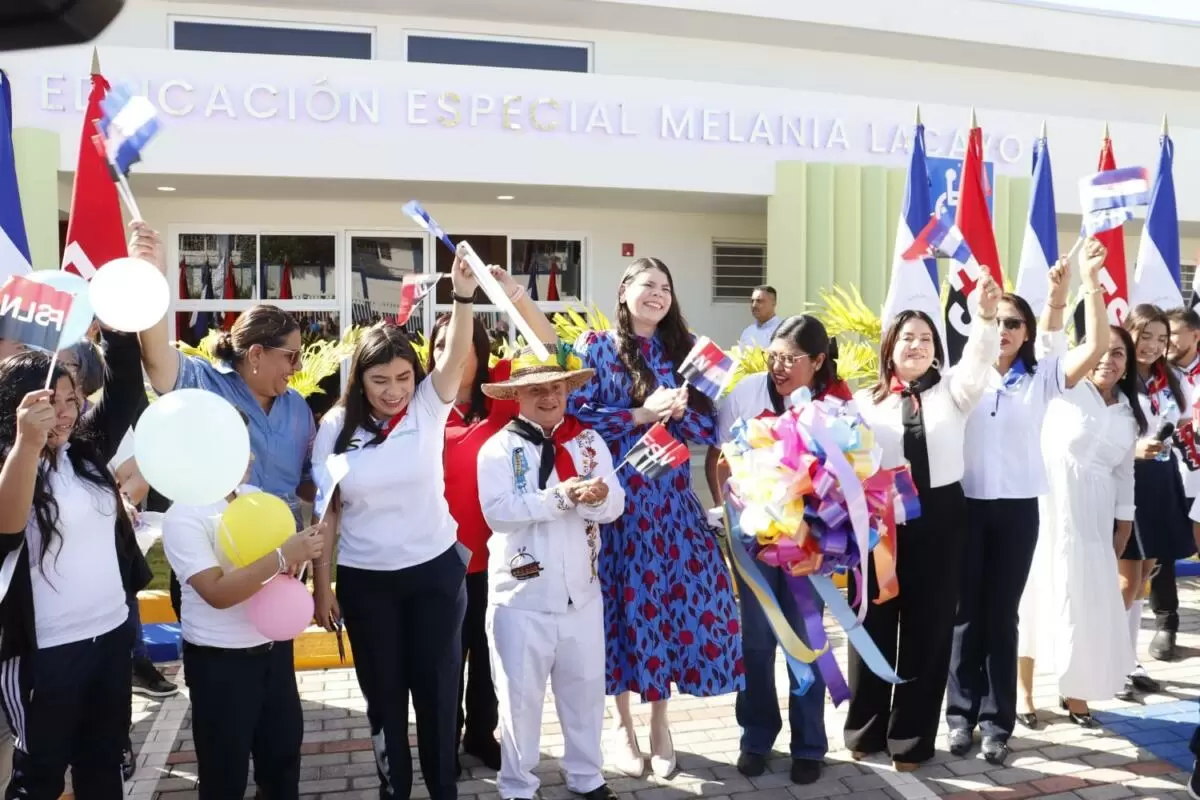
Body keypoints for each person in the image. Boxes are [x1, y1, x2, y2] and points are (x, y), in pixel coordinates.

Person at [310, 252, 480, 800]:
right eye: (380, 380)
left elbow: (455, 356)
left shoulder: (430, 406)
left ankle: (444, 791)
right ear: (359, 380)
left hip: (434, 573)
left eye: (404, 377)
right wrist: (322, 584)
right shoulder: (336, 427)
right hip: (367, 583)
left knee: (436, 696)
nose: (394, 391)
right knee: (384, 701)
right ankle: (394, 792)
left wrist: (463, 297)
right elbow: (328, 512)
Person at [571, 257, 742, 779]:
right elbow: (578, 416)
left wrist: (679, 409)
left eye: (665, 287)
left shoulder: (687, 349)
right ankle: (623, 728)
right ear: (623, 291)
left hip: (672, 506)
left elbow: (709, 428)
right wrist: (644, 411)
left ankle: (661, 725)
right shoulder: (595, 346)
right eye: (648, 285)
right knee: (622, 614)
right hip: (618, 505)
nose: (657, 294)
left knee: (679, 605)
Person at [843, 274, 1001, 771]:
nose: (915, 345)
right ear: (890, 348)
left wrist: (987, 316)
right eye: (906, 337)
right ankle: (865, 728)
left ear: (936, 351)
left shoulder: (954, 392)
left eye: (926, 339)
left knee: (928, 628)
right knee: (873, 621)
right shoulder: (865, 401)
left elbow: (979, 360)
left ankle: (910, 738)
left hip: (940, 517)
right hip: (878, 521)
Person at [945, 259, 1087, 764]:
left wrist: (1064, 292)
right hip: (967, 508)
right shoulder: (964, 375)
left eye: (1013, 323)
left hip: (1018, 509)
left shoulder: (1041, 377)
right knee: (965, 616)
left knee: (1002, 616)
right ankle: (959, 717)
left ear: (1026, 333)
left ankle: (996, 722)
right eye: (997, 321)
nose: (1003, 329)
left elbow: (1072, 347)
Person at [0, 326, 151, 799]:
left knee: (103, 767)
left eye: (71, 399)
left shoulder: (83, 452)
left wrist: (118, 326)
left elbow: (126, 387)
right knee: (40, 777)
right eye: (50, 401)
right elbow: (7, 528)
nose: (64, 413)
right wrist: (27, 443)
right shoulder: (13, 462)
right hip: (46, 655)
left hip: (108, 638)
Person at [704, 315, 850, 785]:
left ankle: (809, 745)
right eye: (775, 356)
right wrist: (725, 511)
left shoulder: (836, 403)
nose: (780, 367)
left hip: (808, 540)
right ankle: (756, 736)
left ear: (818, 361)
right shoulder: (745, 393)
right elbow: (719, 457)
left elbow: (849, 474)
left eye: (792, 359)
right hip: (753, 536)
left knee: (806, 639)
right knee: (757, 640)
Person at [420, 274, 556, 774]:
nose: (447, 353)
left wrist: (515, 295)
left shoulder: (500, 402)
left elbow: (546, 351)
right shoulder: (419, 405)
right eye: (438, 345)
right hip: (435, 556)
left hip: (496, 555)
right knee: (443, 659)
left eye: (456, 345)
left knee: (486, 654)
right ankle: (443, 743)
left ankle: (481, 735)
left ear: (477, 351)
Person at [476, 347, 624, 800]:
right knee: (519, 702)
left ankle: (586, 776)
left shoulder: (588, 442)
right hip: (521, 599)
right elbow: (498, 513)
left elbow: (615, 505)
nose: (547, 397)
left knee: (584, 694)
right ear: (517, 395)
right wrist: (559, 498)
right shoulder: (498, 447)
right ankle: (518, 785)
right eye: (535, 389)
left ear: (566, 391)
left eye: (555, 388)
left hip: (582, 594)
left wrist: (597, 497)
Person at [162, 437, 324, 799]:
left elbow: (279, 568)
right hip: (220, 664)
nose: (247, 456)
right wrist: (282, 557)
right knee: (224, 775)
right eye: (232, 446)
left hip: (273, 650)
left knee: (282, 763)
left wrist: (293, 564)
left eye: (244, 446)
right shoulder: (184, 515)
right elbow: (216, 592)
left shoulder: (252, 495)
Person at [1020, 241, 1141, 723]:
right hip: (1049, 513)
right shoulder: (1063, 390)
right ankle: (1024, 692)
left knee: (1087, 607)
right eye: (1102, 351)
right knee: (1036, 596)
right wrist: (1068, 289)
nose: (1109, 360)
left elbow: (1124, 471)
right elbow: (1049, 341)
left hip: (1095, 524)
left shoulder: (1129, 411)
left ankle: (1077, 692)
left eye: (1119, 354)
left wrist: (1125, 522)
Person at [137, 223, 316, 523]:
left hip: (285, 556)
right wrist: (151, 277)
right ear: (257, 354)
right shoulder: (203, 384)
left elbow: (310, 481)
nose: (298, 367)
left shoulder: (298, 407)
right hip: (215, 554)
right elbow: (155, 357)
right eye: (292, 356)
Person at [1119, 304, 1192, 701]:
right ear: (1128, 333)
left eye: (1161, 339)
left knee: (1144, 576)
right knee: (1126, 581)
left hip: (1161, 481)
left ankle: (1129, 659)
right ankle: (1113, 662)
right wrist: (1133, 449)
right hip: (1127, 482)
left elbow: (1179, 418)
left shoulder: (1168, 379)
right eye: (1144, 335)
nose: (1150, 346)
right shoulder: (1114, 377)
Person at [1152, 306, 1200, 662]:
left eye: (1173, 334)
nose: (1166, 342)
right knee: (1161, 552)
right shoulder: (1156, 374)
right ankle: (1166, 624)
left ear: (1195, 335)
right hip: (1166, 475)